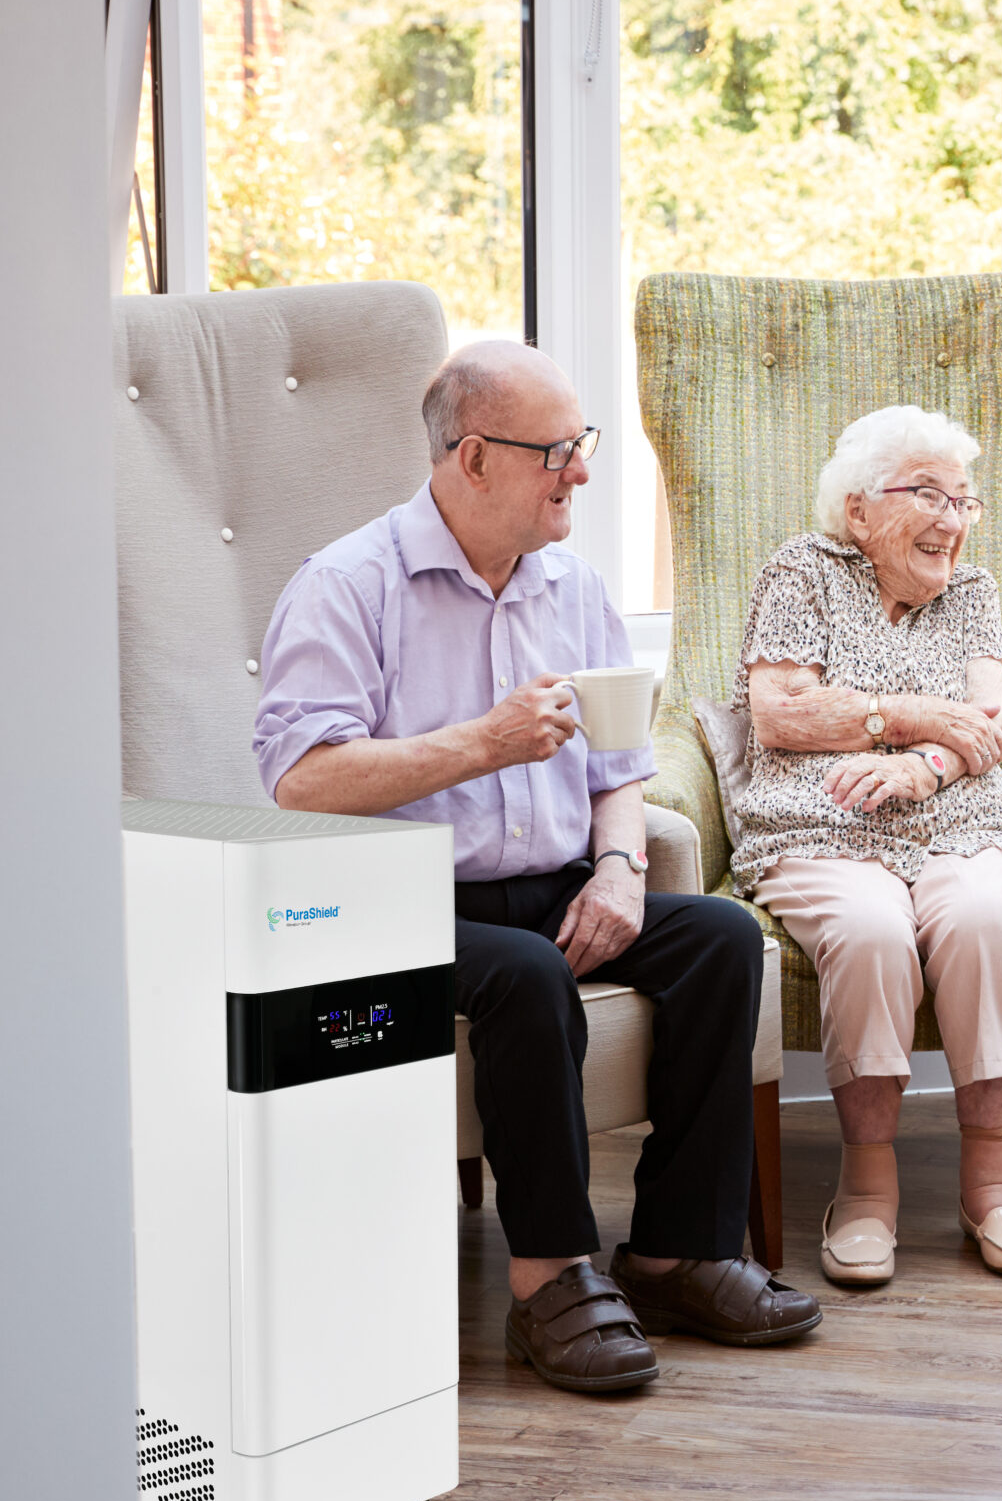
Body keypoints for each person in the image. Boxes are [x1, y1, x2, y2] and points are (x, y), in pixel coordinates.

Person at [255, 340, 819, 1396]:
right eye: (558, 449)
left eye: (581, 443)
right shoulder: (346, 584)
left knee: (722, 936)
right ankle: (549, 1274)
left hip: (561, 879)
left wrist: (616, 868)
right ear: (473, 458)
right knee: (523, 971)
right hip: (395, 899)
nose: (582, 471)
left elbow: (619, 762)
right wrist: (481, 742)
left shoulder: (573, 584)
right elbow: (301, 779)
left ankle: (677, 1251)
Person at [728, 405, 1002, 1286]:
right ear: (861, 509)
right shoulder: (802, 570)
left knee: (985, 915)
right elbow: (782, 712)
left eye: (963, 500)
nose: (951, 519)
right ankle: (867, 1184)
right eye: (928, 495)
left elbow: (993, 725)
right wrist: (902, 719)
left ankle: (992, 1177)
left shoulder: (973, 593)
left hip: (961, 818)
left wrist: (925, 769)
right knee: (870, 929)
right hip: (819, 821)